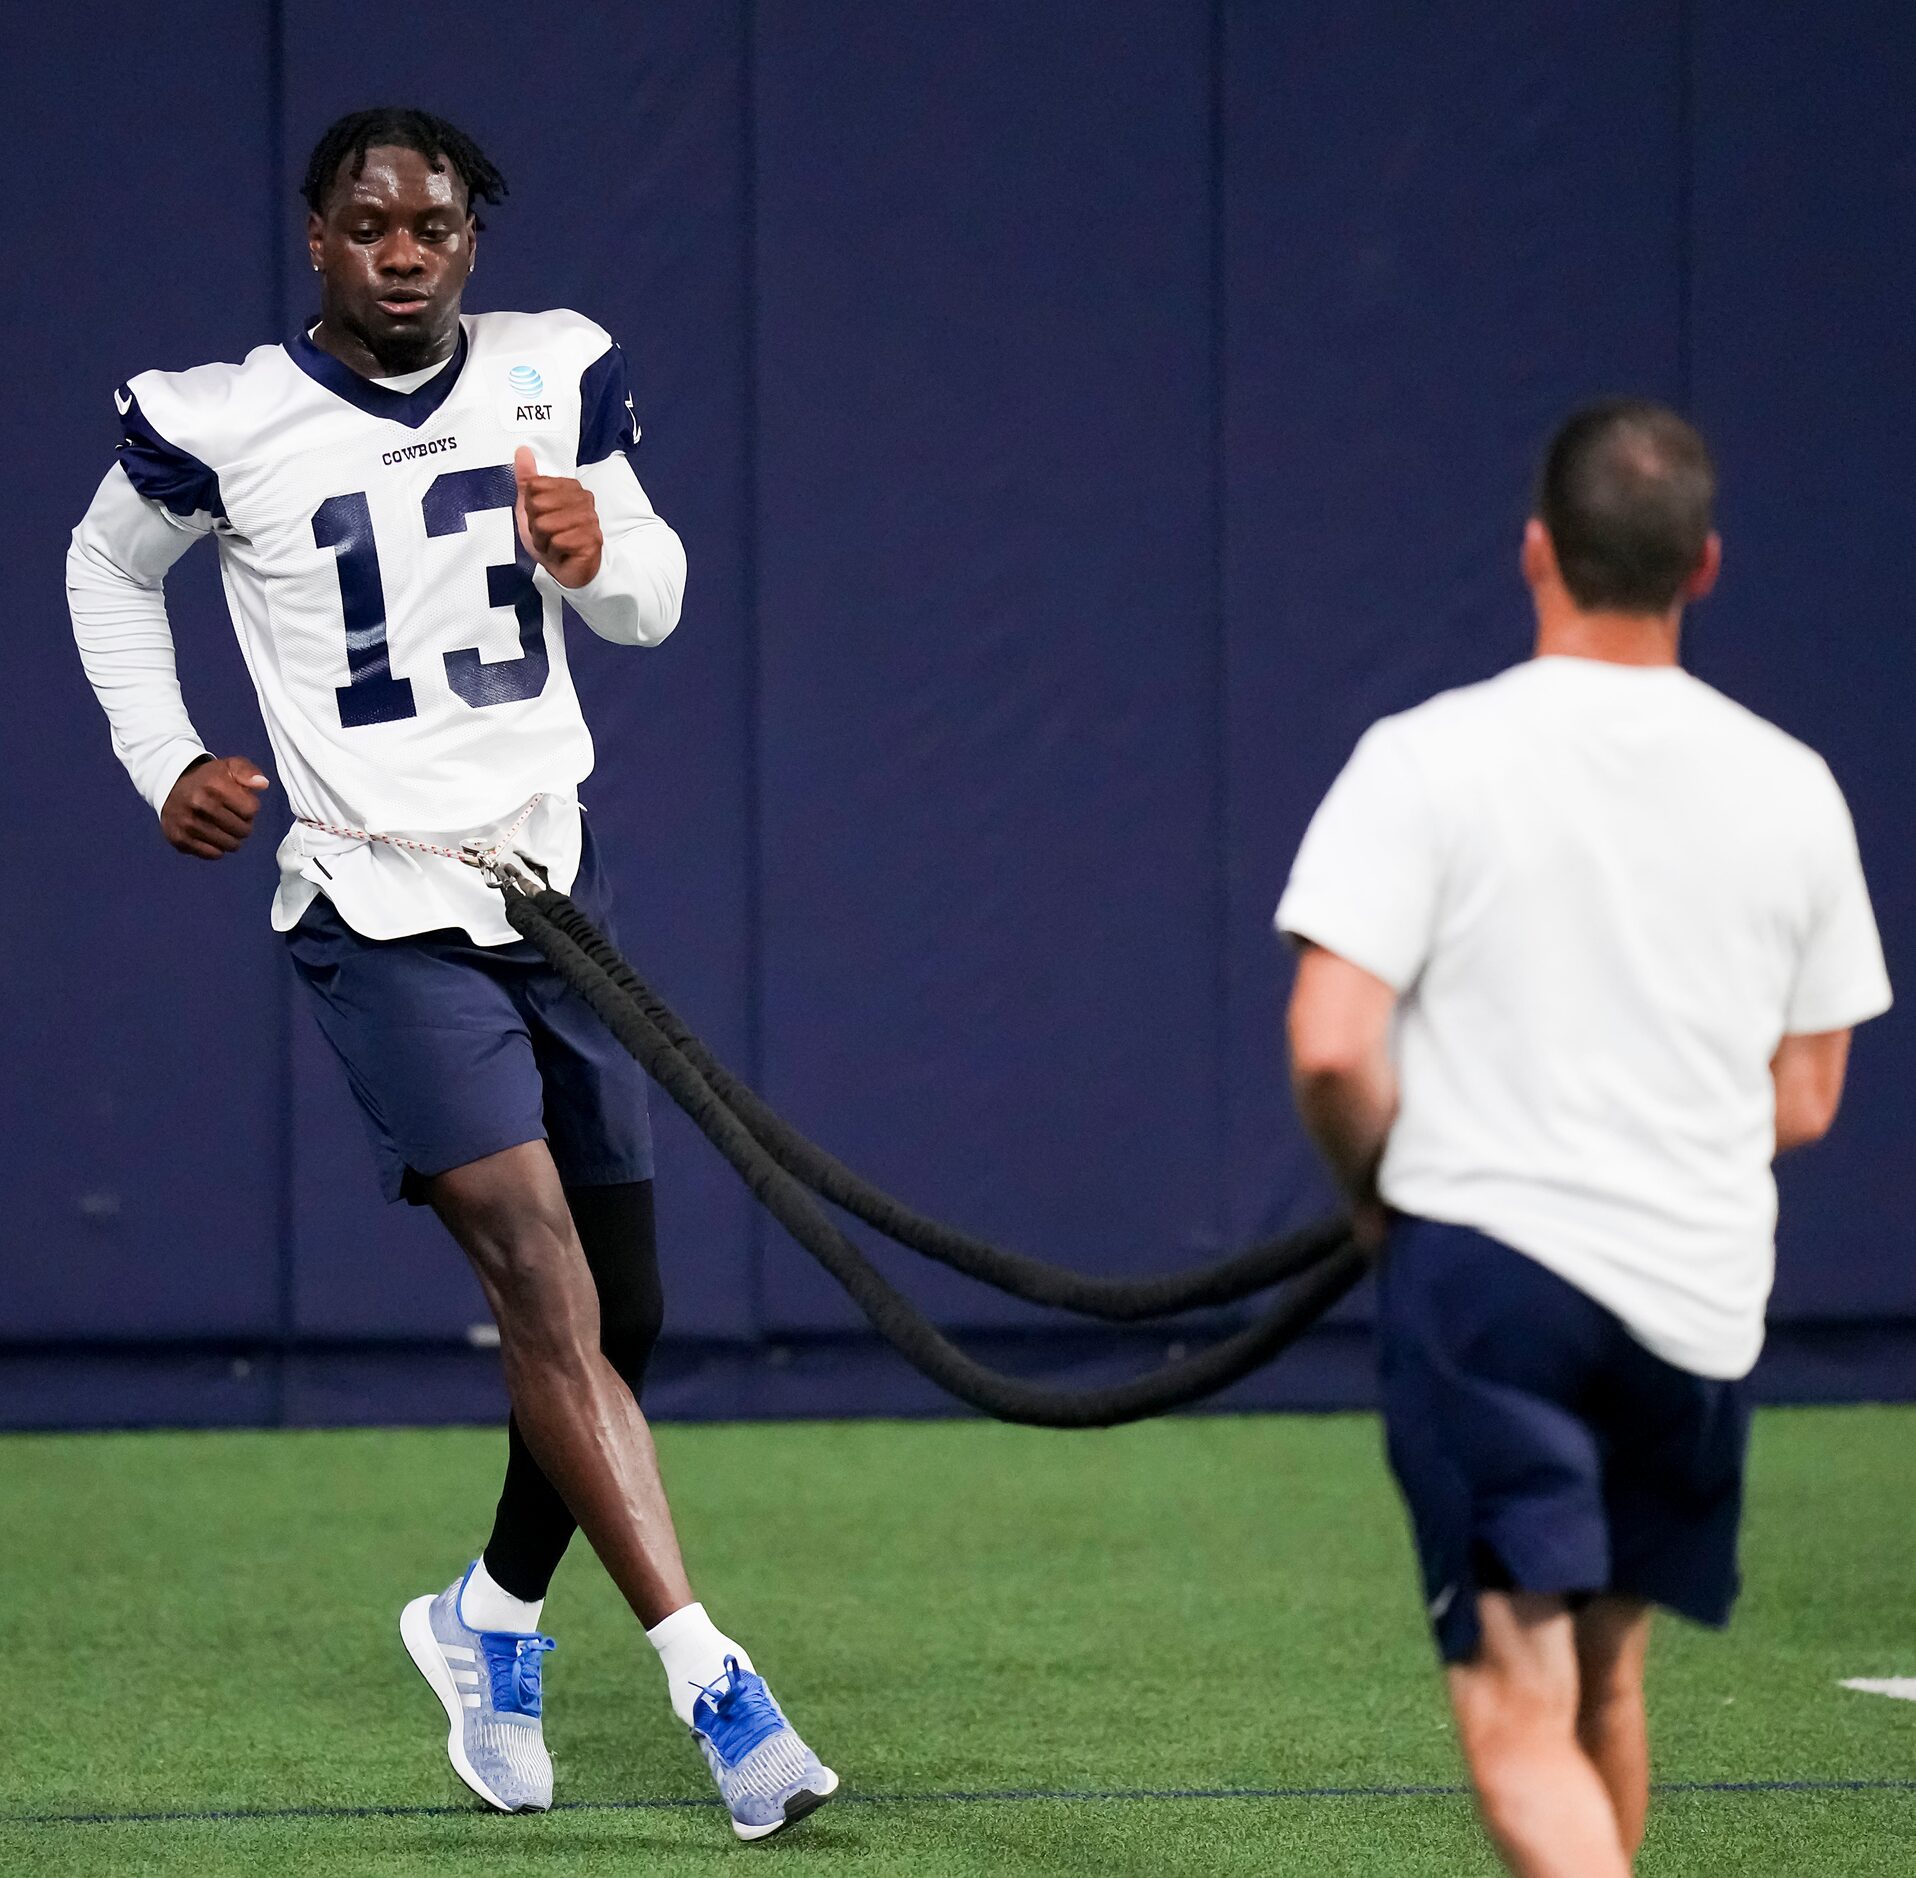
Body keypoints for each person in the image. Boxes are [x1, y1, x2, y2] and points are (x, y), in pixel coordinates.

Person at [66, 105, 837, 1842]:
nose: (402, 253)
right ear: (316, 237)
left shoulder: (554, 374)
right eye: (367, 224)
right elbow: (103, 567)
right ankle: (716, 1682)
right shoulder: (232, 415)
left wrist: (598, 553)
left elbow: (653, 598)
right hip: (374, 903)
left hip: (547, 889)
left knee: (616, 1317)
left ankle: (485, 1618)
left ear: (473, 242)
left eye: (432, 226)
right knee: (542, 1271)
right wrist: (159, 751)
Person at [1276, 400, 1890, 1876]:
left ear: (1538, 551)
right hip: (1697, 1303)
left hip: (1493, 1291)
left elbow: (1333, 1041)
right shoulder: (1795, 786)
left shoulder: (1428, 759)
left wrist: (1379, 1196)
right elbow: (1805, 1100)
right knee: (1606, 1679)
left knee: (1511, 1710)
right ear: (1707, 566)